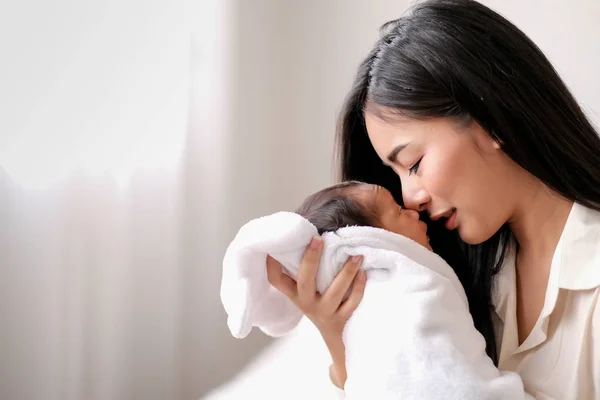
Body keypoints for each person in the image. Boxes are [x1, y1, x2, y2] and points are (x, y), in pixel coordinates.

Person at [266, 0, 600, 398]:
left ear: (490, 120)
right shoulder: (453, 282)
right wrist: (341, 343)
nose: (409, 199)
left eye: (413, 163)